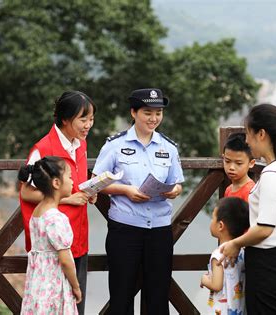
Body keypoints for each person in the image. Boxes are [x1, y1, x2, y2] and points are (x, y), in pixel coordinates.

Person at [93, 88, 184, 314]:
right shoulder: (114, 145)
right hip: (125, 229)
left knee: (158, 295)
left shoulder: (169, 147)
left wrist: (174, 191)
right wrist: (125, 190)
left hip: (160, 230)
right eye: (147, 113)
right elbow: (97, 183)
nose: (154, 118)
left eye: (158, 113)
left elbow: (178, 183)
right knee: (121, 294)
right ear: (133, 112)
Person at [220, 104, 276, 315]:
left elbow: (264, 228)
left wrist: (235, 243)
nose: (247, 141)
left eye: (249, 135)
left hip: (267, 265)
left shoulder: (272, 174)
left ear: (261, 134)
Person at [19, 91, 96, 315]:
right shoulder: (43, 149)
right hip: (53, 246)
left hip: (78, 234)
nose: (88, 125)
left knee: (74, 303)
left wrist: (90, 190)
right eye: (83, 119)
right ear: (65, 119)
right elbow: (26, 193)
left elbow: (76, 182)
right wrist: (68, 198)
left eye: (91, 119)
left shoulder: (80, 144)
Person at [18, 156, 81, 314]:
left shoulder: (38, 212)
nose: (72, 181)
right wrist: (76, 286)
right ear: (56, 183)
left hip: (37, 284)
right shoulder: (56, 219)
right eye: (69, 177)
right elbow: (65, 261)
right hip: (54, 285)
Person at [200, 197, 249, 315]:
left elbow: (216, 285)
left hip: (221, 310)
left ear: (220, 226)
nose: (211, 221)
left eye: (213, 218)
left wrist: (204, 279)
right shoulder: (242, 251)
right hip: (239, 309)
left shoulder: (218, 255)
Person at [223, 132, 256, 201]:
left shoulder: (250, 192)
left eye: (238, 163)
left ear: (251, 163)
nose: (231, 167)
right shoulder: (228, 189)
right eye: (227, 161)